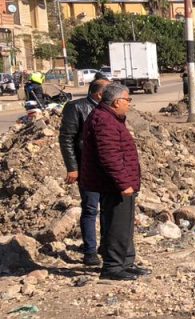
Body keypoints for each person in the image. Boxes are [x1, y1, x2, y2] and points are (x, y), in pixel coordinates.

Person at [79, 83, 150, 281]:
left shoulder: (110, 118)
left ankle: (126, 263)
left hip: (119, 183)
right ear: (117, 102)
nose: (129, 104)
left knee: (125, 225)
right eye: (128, 100)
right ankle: (112, 266)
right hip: (113, 185)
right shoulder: (104, 121)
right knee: (116, 225)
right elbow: (109, 156)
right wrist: (123, 183)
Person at [58, 77, 110, 267]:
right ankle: (90, 252)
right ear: (99, 94)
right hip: (87, 167)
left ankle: (106, 247)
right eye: (109, 90)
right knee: (90, 208)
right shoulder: (76, 107)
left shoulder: (108, 109)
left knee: (107, 209)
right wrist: (73, 167)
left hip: (106, 167)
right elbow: (67, 138)